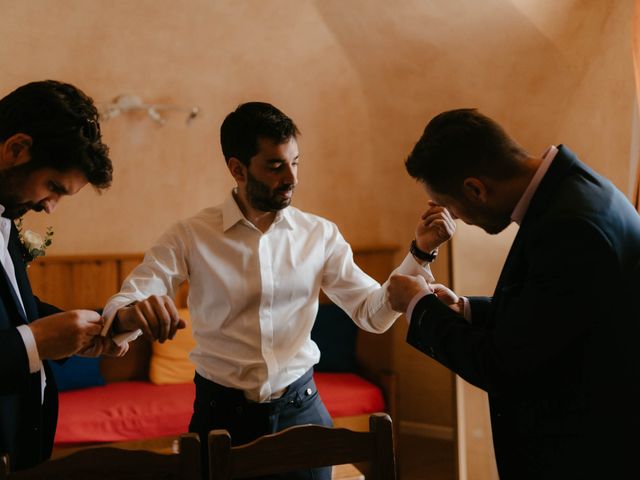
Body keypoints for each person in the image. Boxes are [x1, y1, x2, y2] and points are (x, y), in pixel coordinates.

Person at [101, 101, 453, 479]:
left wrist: (419, 253)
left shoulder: (320, 235)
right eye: (275, 166)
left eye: (295, 162)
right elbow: (132, 297)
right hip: (220, 420)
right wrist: (130, 314)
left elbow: (374, 315)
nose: (292, 177)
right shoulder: (190, 236)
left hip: (302, 413)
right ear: (237, 169)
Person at [388, 108, 640, 479]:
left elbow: (504, 364)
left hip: (584, 451)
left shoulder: (569, 227)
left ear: (476, 188)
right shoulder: (575, 190)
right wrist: (464, 308)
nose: (456, 218)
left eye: (453, 208)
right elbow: (553, 318)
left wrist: (419, 307)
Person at [0, 80, 122, 471]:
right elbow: (24, 334)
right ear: (16, 149)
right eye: (52, 187)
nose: (49, 208)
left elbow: (14, 309)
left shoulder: (7, 213)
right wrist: (35, 341)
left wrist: (84, 331)